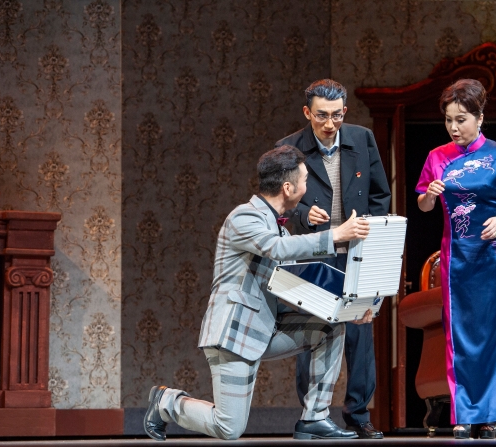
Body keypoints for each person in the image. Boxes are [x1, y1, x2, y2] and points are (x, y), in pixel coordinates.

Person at [143, 145, 374, 441]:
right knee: (229, 427)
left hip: (265, 330)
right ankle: (165, 402)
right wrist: (336, 235)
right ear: (288, 187)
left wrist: (347, 310)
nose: (307, 187)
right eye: (305, 180)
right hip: (234, 335)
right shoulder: (244, 217)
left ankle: (315, 418)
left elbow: (301, 283)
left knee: (331, 328)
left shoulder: (280, 230)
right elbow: (276, 249)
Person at [275, 79, 391, 439]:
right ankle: (312, 414)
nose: (330, 124)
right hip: (316, 256)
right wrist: (303, 213)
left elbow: (380, 195)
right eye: (322, 115)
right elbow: (279, 203)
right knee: (313, 335)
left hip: (356, 255)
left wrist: (372, 240)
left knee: (360, 337)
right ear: (307, 112)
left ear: (345, 111)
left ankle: (358, 415)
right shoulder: (289, 149)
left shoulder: (362, 138)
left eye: (337, 115)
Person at [416, 79, 496, 440]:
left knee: (494, 335)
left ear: (480, 118)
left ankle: (490, 416)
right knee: (460, 335)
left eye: (461, 120)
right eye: (448, 120)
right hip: (458, 258)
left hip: (495, 258)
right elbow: (423, 205)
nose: (454, 127)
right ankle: (463, 414)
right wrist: (430, 196)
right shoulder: (437, 157)